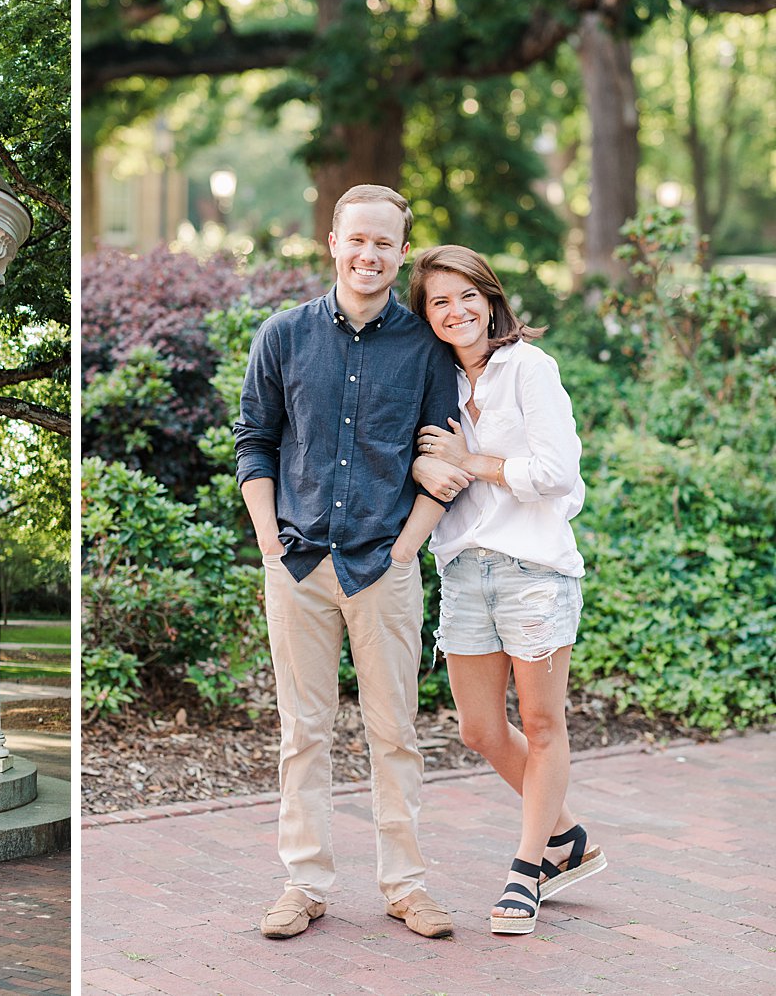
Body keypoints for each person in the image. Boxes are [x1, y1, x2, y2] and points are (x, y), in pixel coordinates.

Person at [233, 184, 460, 940]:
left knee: (394, 733)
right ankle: (304, 884)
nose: (369, 254)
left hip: (383, 568)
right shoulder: (283, 336)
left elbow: (444, 457)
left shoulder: (427, 350)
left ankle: (405, 885)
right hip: (297, 566)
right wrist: (269, 541)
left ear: (402, 252)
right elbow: (254, 441)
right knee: (304, 730)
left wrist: (406, 548)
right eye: (357, 239)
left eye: (385, 243)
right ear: (332, 242)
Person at [408, 244, 607, 936]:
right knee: (480, 729)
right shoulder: (435, 384)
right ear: (427, 317)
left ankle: (529, 870)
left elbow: (558, 473)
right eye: (440, 301)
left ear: (490, 300)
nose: (456, 310)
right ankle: (570, 837)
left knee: (544, 724)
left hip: (534, 571)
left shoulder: (530, 368)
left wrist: (473, 461)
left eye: (468, 296)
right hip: (463, 571)